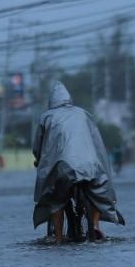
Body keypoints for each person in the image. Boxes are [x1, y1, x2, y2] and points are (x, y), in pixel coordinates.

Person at [32, 81, 125, 243]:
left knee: (55, 199)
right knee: (98, 192)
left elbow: (38, 146)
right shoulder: (84, 114)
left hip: (61, 167)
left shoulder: (46, 117)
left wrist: (38, 159)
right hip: (89, 165)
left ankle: (58, 237)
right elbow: (97, 143)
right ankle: (95, 226)